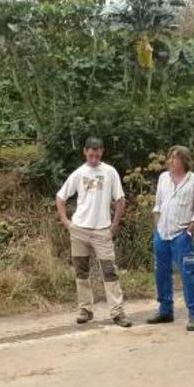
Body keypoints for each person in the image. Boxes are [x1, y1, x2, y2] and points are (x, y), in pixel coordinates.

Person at [55, 137, 132, 328]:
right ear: (85, 152)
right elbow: (60, 196)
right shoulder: (79, 173)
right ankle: (85, 309)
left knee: (109, 271)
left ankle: (117, 311)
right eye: (91, 153)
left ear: (102, 152)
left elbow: (120, 199)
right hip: (79, 229)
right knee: (81, 271)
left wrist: (115, 224)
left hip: (102, 230)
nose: (94, 157)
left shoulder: (109, 172)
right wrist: (66, 221)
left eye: (97, 153)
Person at [146, 145, 194, 329]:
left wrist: (191, 229)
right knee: (161, 273)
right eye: (170, 157)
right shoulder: (163, 178)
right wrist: (156, 226)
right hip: (162, 232)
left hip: (182, 234)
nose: (171, 161)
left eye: (175, 158)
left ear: (184, 161)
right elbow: (158, 204)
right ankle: (165, 310)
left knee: (188, 273)